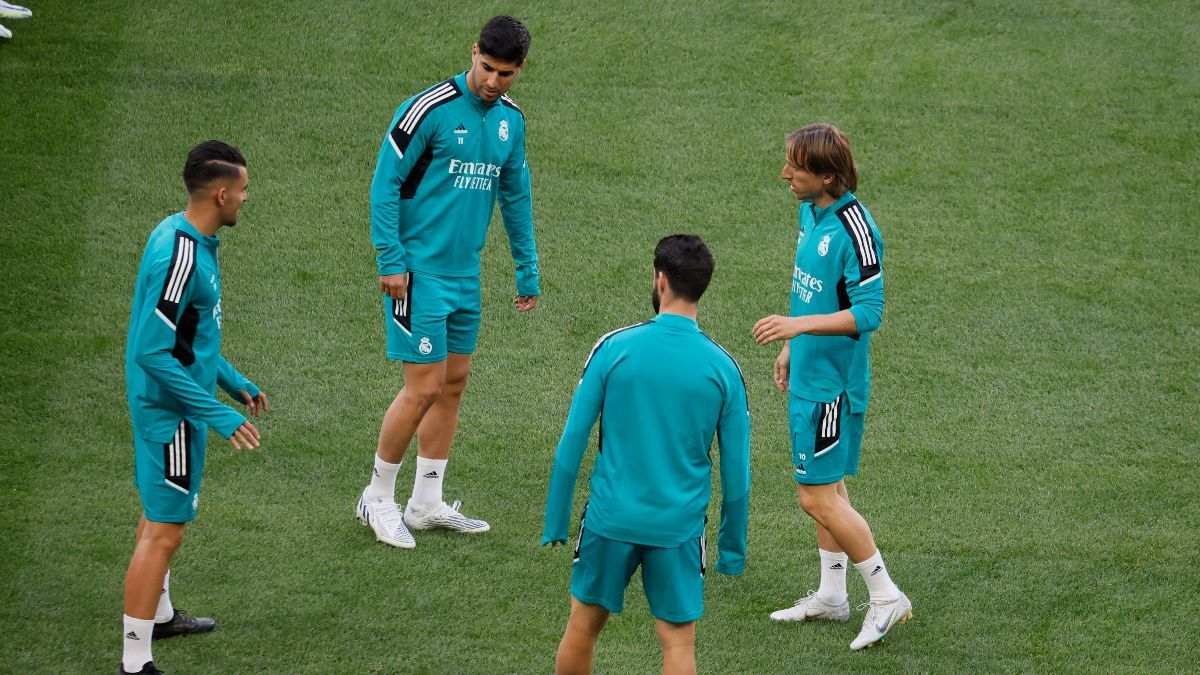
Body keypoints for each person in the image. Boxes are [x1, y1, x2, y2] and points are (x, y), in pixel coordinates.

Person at [358, 15, 540, 548]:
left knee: (453, 384)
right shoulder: (427, 110)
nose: (493, 81)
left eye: (506, 74)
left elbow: (516, 195)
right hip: (418, 271)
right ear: (474, 52)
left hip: (466, 274)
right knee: (424, 387)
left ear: (519, 70)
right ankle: (377, 496)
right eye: (487, 68)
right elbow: (384, 182)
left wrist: (526, 269)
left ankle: (426, 502)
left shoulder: (511, 121)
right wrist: (390, 258)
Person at [543, 235, 751, 675]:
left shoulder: (613, 348)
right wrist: (731, 549)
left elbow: (572, 442)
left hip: (610, 519)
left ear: (660, 279)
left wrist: (555, 519)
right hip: (678, 529)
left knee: (583, 626)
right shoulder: (725, 369)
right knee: (678, 643)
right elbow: (738, 477)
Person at [752, 123, 911, 650]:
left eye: (795, 167)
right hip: (809, 373)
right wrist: (792, 346)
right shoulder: (810, 212)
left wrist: (796, 329)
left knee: (817, 497)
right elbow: (813, 291)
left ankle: (885, 595)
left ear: (828, 175)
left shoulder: (855, 230)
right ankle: (832, 596)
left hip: (831, 391)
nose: (784, 174)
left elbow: (869, 312)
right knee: (829, 491)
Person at [121, 140, 267, 675]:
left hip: (174, 403)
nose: (247, 199)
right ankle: (135, 662)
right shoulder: (180, 256)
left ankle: (157, 616)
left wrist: (233, 383)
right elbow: (151, 352)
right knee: (166, 529)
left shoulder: (183, 235)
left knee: (158, 520)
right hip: (171, 414)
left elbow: (190, 339)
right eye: (244, 190)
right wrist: (217, 414)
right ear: (221, 193)